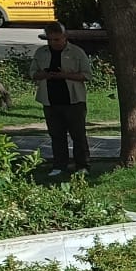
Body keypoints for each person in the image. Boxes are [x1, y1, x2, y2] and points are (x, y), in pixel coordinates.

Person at [31, 23, 91, 174]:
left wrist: (65, 75)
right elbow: (32, 73)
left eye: (57, 39)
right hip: (50, 100)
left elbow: (86, 75)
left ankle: (82, 165)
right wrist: (45, 74)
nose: (53, 43)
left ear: (64, 38)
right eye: (50, 40)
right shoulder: (41, 53)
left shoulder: (76, 52)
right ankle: (59, 165)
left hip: (73, 100)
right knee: (56, 135)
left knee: (78, 135)